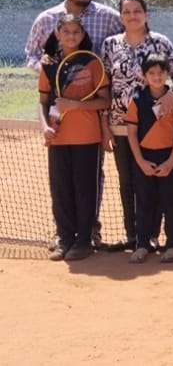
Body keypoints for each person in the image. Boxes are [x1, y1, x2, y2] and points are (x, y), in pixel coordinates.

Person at [26, 0, 123, 250]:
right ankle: (64, 234)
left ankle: (88, 233)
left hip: (93, 124)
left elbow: (124, 43)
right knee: (62, 184)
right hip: (59, 126)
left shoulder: (109, 17)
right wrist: (52, 70)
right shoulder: (45, 19)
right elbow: (32, 56)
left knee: (90, 180)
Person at [101, 0, 173, 252]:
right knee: (128, 181)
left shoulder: (160, 42)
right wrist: (104, 122)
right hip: (121, 127)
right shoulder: (110, 45)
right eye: (126, 11)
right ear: (120, 16)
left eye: (137, 10)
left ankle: (151, 234)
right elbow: (104, 84)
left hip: (158, 127)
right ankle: (134, 236)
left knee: (157, 179)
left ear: (146, 14)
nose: (132, 15)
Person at [39, 15, 110, 261]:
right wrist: (44, 127)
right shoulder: (48, 64)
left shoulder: (93, 63)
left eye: (75, 32)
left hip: (88, 138)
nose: (71, 36)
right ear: (57, 33)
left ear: (82, 35)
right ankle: (65, 238)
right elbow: (43, 102)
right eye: (66, 31)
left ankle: (83, 241)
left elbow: (105, 100)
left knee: (85, 191)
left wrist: (74, 105)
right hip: (57, 138)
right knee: (61, 191)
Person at [124, 54, 173, 264]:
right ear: (144, 76)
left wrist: (171, 161)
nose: (157, 77)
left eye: (161, 73)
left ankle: (172, 245)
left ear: (167, 74)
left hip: (167, 157)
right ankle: (142, 245)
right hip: (144, 157)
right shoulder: (136, 99)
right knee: (143, 202)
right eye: (151, 73)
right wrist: (140, 161)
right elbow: (132, 133)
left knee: (169, 202)